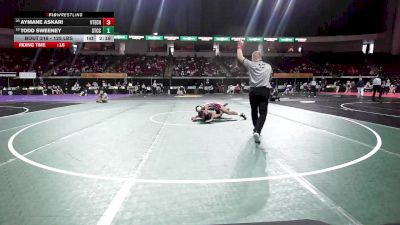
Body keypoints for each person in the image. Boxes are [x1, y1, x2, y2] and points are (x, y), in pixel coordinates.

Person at [237, 40, 272, 143]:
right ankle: (257, 130)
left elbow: (240, 57)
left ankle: (256, 130)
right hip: (264, 90)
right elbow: (270, 77)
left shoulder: (251, 64)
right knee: (263, 113)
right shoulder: (268, 66)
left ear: (253, 58)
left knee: (254, 111)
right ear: (260, 57)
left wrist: (239, 46)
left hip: (253, 91)